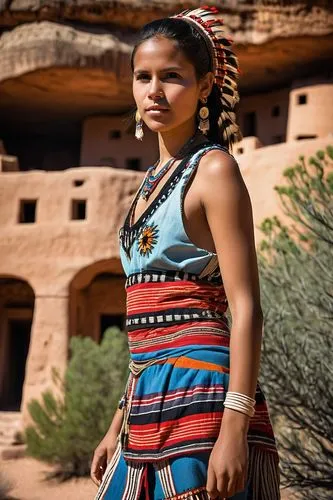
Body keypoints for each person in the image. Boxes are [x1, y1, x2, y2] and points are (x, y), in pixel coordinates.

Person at [91, 6, 280, 500]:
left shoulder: (213, 170)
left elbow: (246, 308)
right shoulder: (148, 184)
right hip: (147, 397)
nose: (154, 90)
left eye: (172, 77)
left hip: (203, 394)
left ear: (205, 84)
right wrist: (118, 422)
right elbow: (144, 327)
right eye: (143, 77)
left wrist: (234, 427)